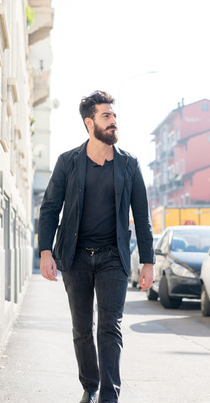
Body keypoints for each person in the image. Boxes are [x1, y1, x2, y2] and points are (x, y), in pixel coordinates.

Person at [38, 90, 155, 403]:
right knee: (81, 329)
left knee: (110, 328)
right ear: (90, 123)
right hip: (75, 257)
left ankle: (109, 396)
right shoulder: (68, 162)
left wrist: (148, 261)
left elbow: (142, 216)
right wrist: (45, 251)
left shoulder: (129, 165)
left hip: (113, 259)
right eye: (107, 116)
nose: (114, 121)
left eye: (114, 116)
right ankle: (90, 385)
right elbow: (50, 208)